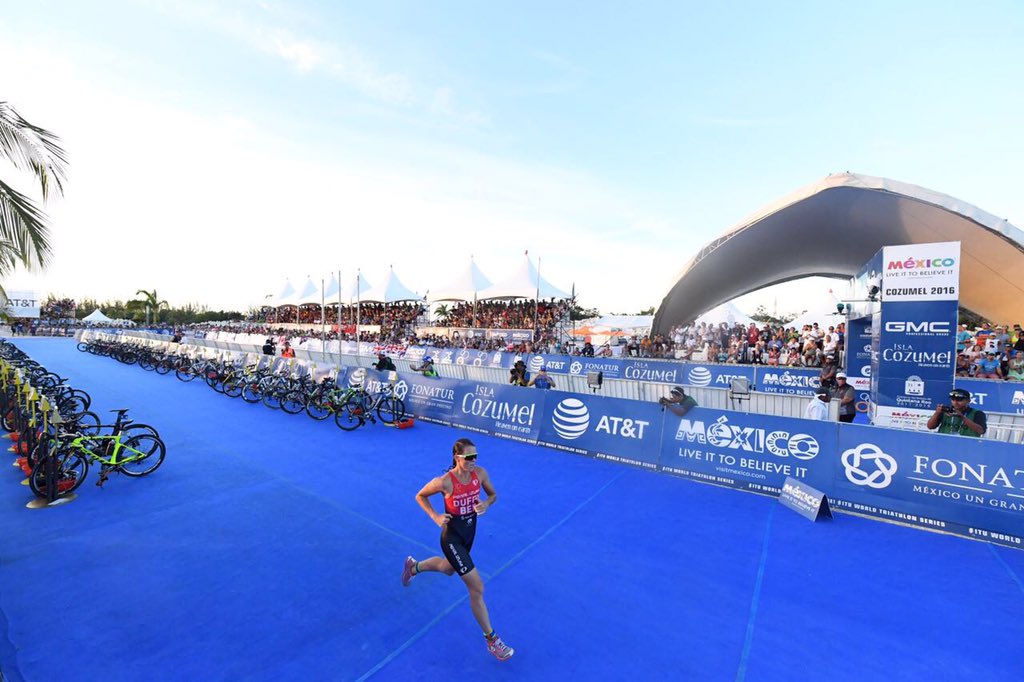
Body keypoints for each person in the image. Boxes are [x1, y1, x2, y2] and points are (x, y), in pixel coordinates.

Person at [401, 438, 514, 661]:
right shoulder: (444, 482)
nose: (473, 461)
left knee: (448, 568)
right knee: (477, 587)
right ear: (457, 458)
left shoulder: (480, 474)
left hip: (469, 535)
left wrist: (486, 504)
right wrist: (435, 516)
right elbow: (420, 495)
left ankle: (414, 567)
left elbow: (493, 495)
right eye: (469, 457)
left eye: (476, 456)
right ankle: (492, 640)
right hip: (451, 537)